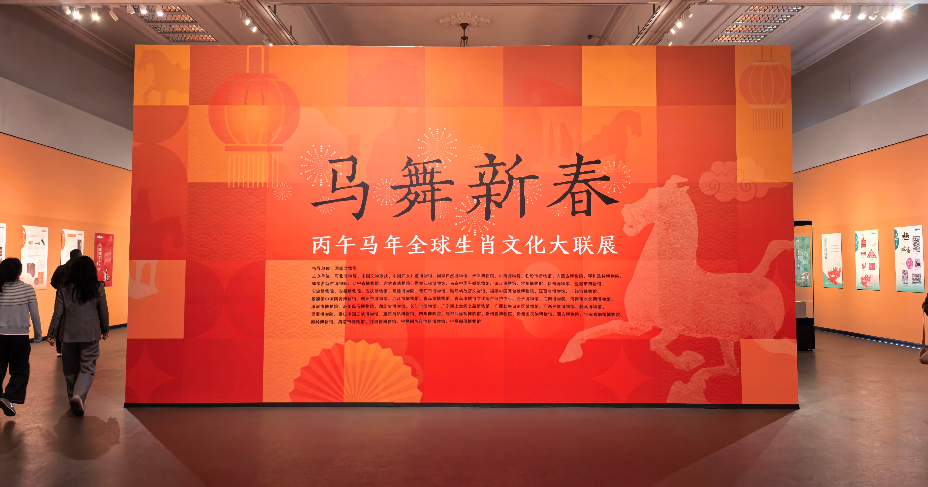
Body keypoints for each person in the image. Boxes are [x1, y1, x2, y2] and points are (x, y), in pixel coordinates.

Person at [46, 256, 108, 416]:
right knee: (88, 368)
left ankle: (73, 400)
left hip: (68, 335)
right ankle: (78, 397)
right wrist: (105, 328)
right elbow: (103, 310)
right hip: (90, 334)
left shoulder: (64, 289)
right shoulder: (97, 288)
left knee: (70, 370)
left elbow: (58, 313)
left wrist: (52, 333)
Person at [0, 258, 42, 417]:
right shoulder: (27, 289)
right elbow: (35, 314)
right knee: (20, 370)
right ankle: (9, 397)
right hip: (20, 337)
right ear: (19, 272)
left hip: (0, 336)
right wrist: (38, 335)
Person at [49, 249, 81, 357]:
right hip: (78, 298)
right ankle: (76, 346)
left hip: (62, 296)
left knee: (60, 319)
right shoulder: (81, 270)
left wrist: (61, 289)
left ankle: (59, 349)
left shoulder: (61, 268)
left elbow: (53, 282)